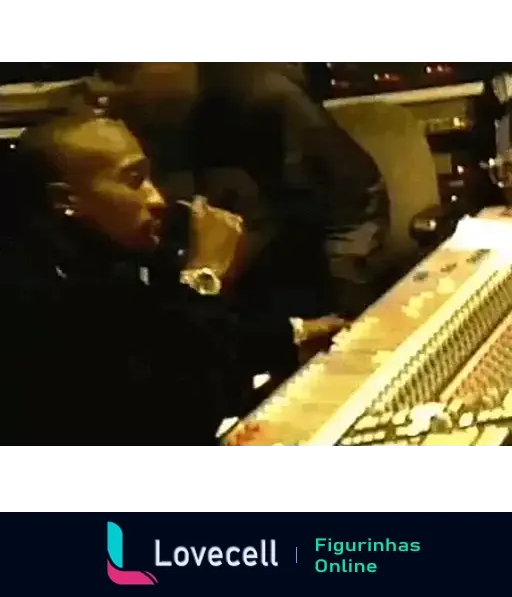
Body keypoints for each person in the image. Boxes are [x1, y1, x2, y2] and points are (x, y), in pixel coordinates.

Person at [0, 114, 344, 445]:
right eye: (134, 181)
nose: (157, 200)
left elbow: (174, 334)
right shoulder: (33, 296)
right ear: (65, 200)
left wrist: (295, 335)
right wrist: (206, 275)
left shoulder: (112, 256)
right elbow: (178, 416)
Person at [88, 62, 390, 319]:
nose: (111, 89)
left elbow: (353, 207)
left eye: (124, 71)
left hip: (300, 273)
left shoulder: (266, 98)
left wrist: (348, 311)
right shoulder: (129, 115)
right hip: (210, 288)